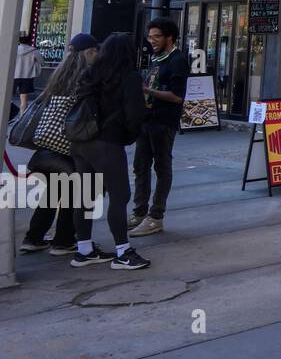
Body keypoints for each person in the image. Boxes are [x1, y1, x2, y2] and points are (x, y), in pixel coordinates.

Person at [68, 32, 150, 270]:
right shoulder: (129, 77)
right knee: (120, 195)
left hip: (81, 140)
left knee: (85, 196)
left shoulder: (90, 73)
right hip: (108, 141)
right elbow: (135, 114)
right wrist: (127, 136)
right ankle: (123, 252)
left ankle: (84, 249)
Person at [19, 34, 99, 256]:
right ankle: (63, 240)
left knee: (53, 191)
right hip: (69, 146)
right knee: (74, 192)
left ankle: (33, 237)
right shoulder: (86, 78)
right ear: (90, 52)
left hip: (47, 145)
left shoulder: (60, 76)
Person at [130, 17, 188, 236]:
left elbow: (177, 97)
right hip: (146, 120)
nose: (151, 41)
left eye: (156, 37)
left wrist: (148, 91)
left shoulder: (177, 60)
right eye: (150, 36)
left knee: (162, 168)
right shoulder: (157, 58)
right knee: (140, 166)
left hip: (163, 122)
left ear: (169, 37)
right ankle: (139, 211)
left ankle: (156, 216)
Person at [14, 33, 41, 114]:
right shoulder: (33, 51)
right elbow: (42, 61)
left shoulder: (14, 49)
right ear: (29, 41)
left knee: (6, 98)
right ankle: (21, 118)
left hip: (13, 75)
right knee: (24, 100)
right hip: (27, 76)